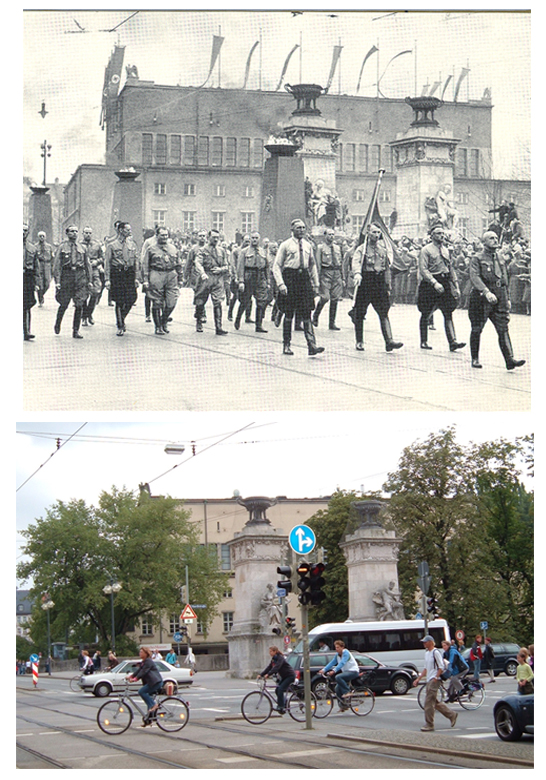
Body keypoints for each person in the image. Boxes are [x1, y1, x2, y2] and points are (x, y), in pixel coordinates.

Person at [468, 231, 526, 370]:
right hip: (482, 298)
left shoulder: (500, 257)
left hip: (500, 295)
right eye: (491, 238)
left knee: (503, 328)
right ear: (484, 242)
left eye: (495, 237)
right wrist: (486, 291)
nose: (495, 240)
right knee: (477, 328)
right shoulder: (477, 258)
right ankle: (475, 358)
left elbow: (504, 278)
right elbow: (475, 277)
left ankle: (509, 360)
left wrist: (507, 297)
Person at [272, 218, 324, 356]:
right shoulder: (285, 245)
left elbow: (312, 265)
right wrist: (281, 284)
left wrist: (316, 283)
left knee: (307, 312)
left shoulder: (308, 245)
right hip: (290, 278)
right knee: (289, 313)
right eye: (298, 228)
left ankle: (312, 345)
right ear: (292, 230)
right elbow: (276, 266)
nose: (301, 230)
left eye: (303, 228)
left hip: (304, 279)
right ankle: (287, 345)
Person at [349, 223, 403, 352]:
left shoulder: (382, 250)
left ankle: (389, 341)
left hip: (379, 283)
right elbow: (355, 262)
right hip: (366, 281)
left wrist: (388, 284)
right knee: (360, 312)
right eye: (373, 232)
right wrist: (357, 274)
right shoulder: (361, 250)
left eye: (378, 232)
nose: (376, 235)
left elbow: (386, 268)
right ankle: (360, 341)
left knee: (383, 311)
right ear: (368, 233)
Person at [417, 223, 465, 352]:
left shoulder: (445, 250)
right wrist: (434, 282)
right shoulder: (426, 250)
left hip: (444, 281)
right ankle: (424, 341)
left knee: (448, 312)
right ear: (432, 236)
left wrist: (455, 285)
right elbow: (423, 269)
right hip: (430, 283)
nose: (442, 236)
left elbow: (450, 268)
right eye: (438, 233)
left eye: (443, 233)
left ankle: (453, 341)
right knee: (426, 313)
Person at [52, 225, 93, 338]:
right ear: (67, 233)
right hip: (67, 276)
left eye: (76, 231)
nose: (74, 233)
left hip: (79, 277)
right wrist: (58, 281)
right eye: (71, 231)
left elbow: (87, 264)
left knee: (79, 304)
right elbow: (57, 265)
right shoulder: (62, 247)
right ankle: (58, 323)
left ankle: (76, 330)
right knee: (64, 304)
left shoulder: (82, 247)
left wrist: (89, 280)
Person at [141, 226, 182, 335]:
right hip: (156, 274)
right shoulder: (151, 249)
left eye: (166, 235)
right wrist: (145, 280)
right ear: (157, 235)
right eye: (162, 235)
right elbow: (145, 265)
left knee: (172, 300)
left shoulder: (173, 248)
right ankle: (158, 326)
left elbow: (178, 264)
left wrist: (181, 278)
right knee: (157, 301)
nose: (164, 237)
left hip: (171, 275)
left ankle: (163, 320)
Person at [413, 635, 458, 731]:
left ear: (431, 642)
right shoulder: (427, 653)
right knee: (434, 702)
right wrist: (418, 679)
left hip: (435, 680)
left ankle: (429, 724)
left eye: (425, 642)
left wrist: (436, 677)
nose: (424, 643)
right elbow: (426, 668)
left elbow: (441, 666)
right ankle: (451, 714)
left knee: (428, 702)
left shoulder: (435, 652)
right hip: (429, 679)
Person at [193, 229, 230, 335]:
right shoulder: (202, 250)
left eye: (217, 237)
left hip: (217, 279)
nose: (216, 239)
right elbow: (198, 263)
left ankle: (219, 327)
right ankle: (199, 322)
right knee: (200, 301)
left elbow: (227, 265)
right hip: (205, 278)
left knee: (218, 302)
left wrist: (221, 269)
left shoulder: (221, 251)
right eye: (214, 237)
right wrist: (202, 273)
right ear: (209, 238)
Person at [234, 230, 270, 332]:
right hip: (248, 277)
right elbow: (240, 267)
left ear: (259, 239)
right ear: (250, 239)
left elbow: (267, 267)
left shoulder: (263, 251)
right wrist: (241, 281)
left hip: (260, 277)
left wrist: (268, 281)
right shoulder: (244, 251)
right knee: (245, 301)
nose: (254, 240)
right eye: (252, 238)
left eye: (256, 238)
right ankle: (238, 318)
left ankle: (258, 325)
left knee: (261, 302)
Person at [312, 227, 343, 330]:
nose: (331, 236)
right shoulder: (320, 248)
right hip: (326, 273)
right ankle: (316, 315)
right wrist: (317, 279)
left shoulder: (337, 248)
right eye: (329, 234)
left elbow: (341, 263)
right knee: (325, 297)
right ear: (325, 236)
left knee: (335, 298)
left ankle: (332, 323)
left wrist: (342, 277)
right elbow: (317, 264)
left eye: (333, 234)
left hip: (336, 273)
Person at [319, 640, 360, 711]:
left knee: (338, 677)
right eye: (336, 647)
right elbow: (332, 663)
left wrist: (334, 671)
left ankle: (347, 692)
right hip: (346, 672)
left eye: (338, 647)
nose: (336, 649)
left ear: (342, 647)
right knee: (337, 689)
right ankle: (343, 706)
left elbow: (342, 663)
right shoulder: (337, 655)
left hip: (353, 671)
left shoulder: (346, 653)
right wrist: (324, 670)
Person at [128, 647, 164, 725]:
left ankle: (154, 705)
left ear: (146, 653)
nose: (139, 653)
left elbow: (143, 672)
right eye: (140, 652)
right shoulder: (144, 662)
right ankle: (149, 719)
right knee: (148, 698)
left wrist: (135, 679)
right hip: (151, 683)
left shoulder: (148, 662)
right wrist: (131, 676)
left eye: (141, 652)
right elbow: (139, 671)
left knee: (141, 692)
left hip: (156, 683)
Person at [258, 646, 296, 715]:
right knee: (277, 690)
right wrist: (261, 674)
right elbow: (269, 667)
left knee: (281, 689)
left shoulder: (280, 658)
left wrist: (268, 674)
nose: (270, 653)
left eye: (271, 651)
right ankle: (284, 702)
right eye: (269, 652)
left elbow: (277, 667)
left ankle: (281, 706)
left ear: (275, 651)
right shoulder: (273, 659)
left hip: (290, 676)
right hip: (284, 676)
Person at [81, 226, 105, 326]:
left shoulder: (97, 245)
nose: (88, 235)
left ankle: (89, 314)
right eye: (86, 233)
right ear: (83, 234)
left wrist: (96, 261)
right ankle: (84, 317)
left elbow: (102, 257)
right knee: (83, 295)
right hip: (82, 271)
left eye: (90, 233)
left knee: (96, 292)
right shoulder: (79, 245)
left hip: (94, 270)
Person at [23, 223, 39, 341]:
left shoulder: (32, 248)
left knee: (27, 304)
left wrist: (37, 282)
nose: (23, 232)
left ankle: (27, 331)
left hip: (27, 277)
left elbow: (36, 267)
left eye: (25, 230)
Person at [35, 230, 54, 306]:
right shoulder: (35, 247)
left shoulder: (49, 247)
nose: (42, 238)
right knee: (40, 284)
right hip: (39, 264)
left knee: (47, 283)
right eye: (40, 236)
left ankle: (41, 295)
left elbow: (52, 257)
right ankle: (40, 299)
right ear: (38, 237)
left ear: (45, 237)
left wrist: (52, 267)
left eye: (43, 236)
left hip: (47, 265)